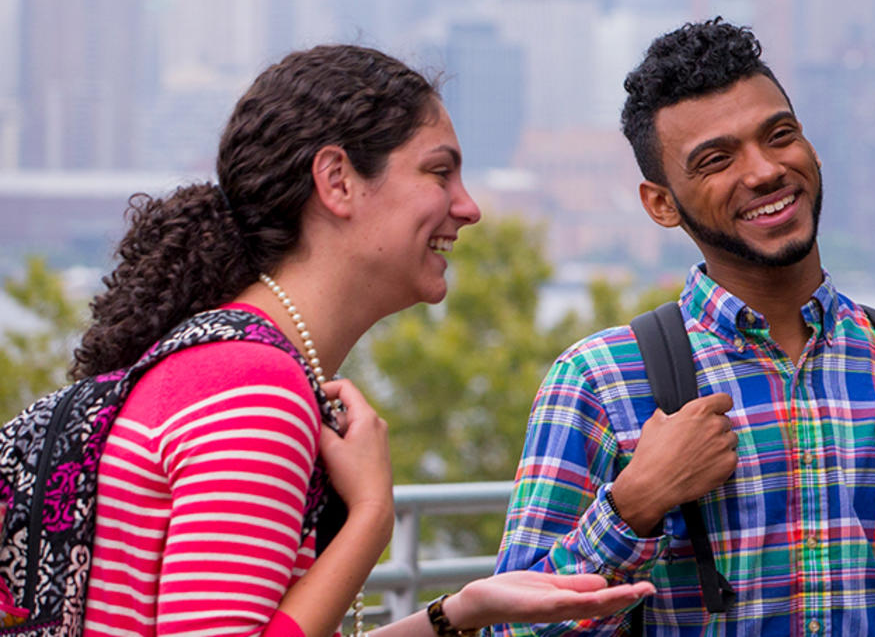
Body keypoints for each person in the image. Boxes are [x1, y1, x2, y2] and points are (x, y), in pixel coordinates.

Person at [74, 43, 654, 637]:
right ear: (337, 181)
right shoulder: (252, 390)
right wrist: (372, 519)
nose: (469, 207)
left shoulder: (232, 366)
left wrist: (458, 614)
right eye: (439, 172)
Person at [494, 19, 875, 636]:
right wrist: (634, 505)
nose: (765, 170)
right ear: (662, 203)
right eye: (717, 159)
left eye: (780, 135)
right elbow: (511, 629)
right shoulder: (600, 383)